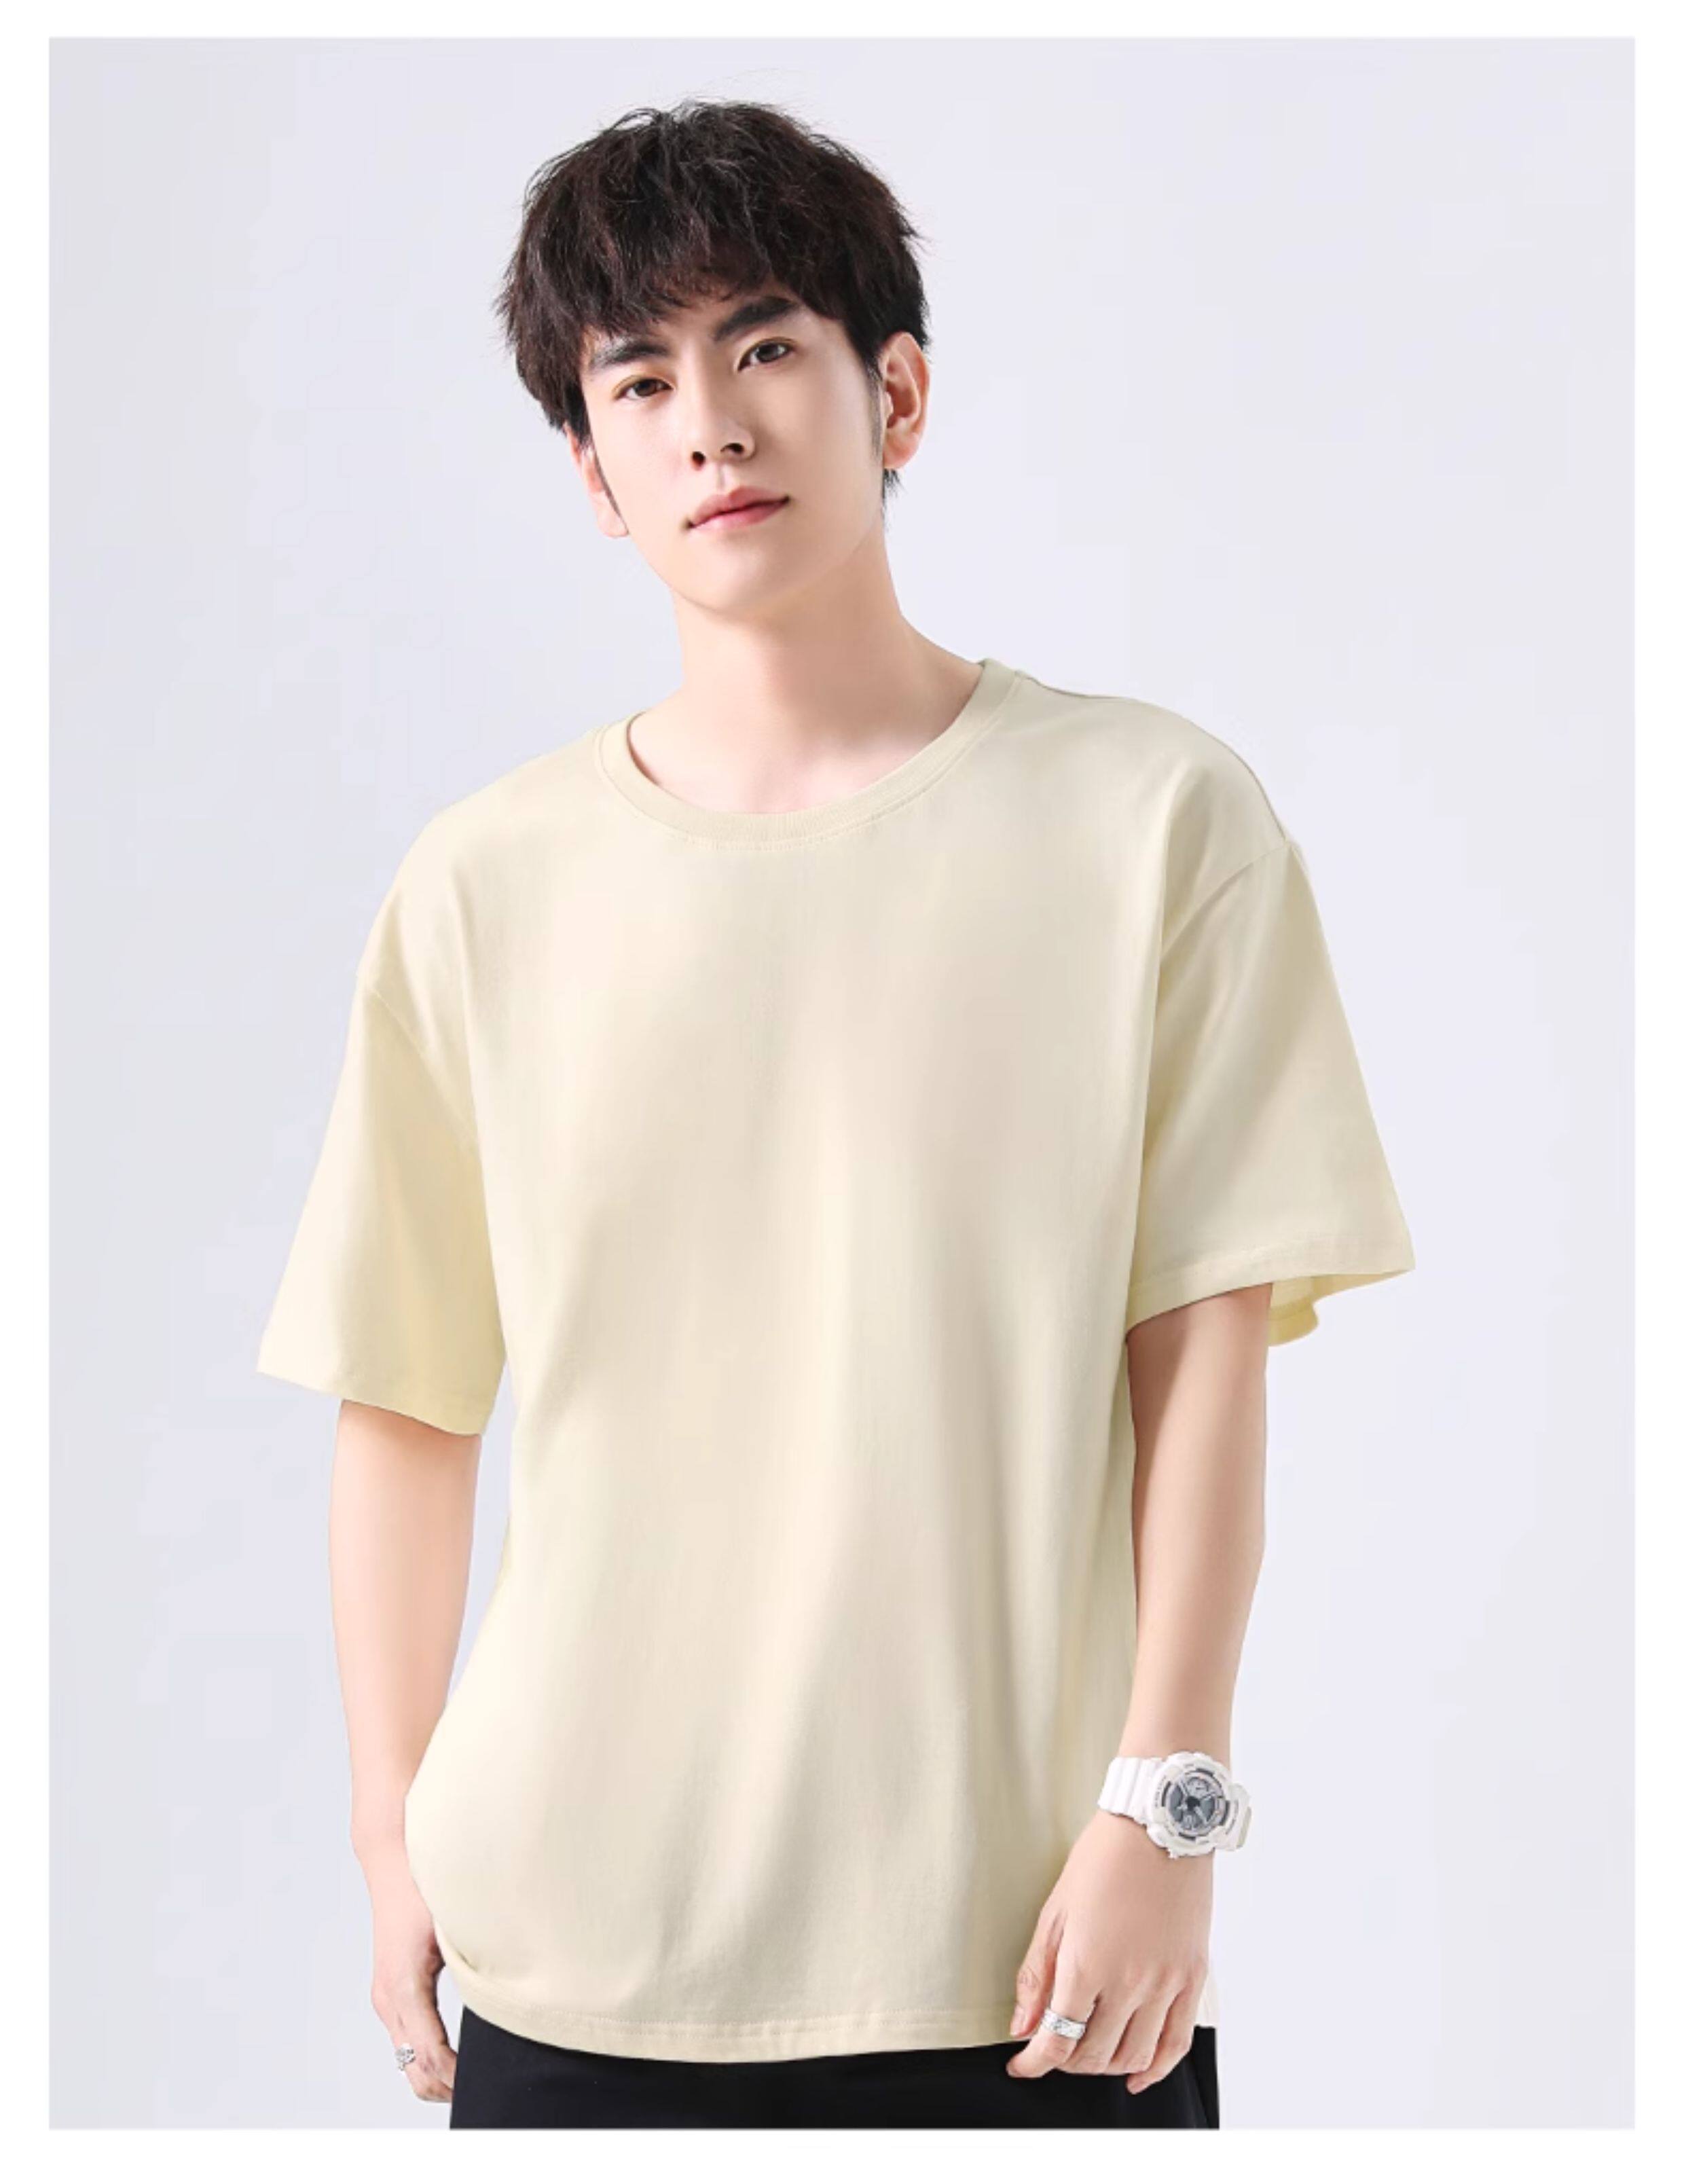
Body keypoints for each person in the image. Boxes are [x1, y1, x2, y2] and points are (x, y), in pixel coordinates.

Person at [256, 96, 1414, 2132]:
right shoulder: (482, 886)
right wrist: (387, 1835)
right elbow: (406, 1403)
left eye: (767, 346)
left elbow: (1203, 1359)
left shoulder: (1155, 825)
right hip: (571, 1933)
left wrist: (1169, 1805)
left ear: (899, 395)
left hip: (1034, 1950)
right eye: (641, 379)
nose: (711, 424)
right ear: (594, 473)